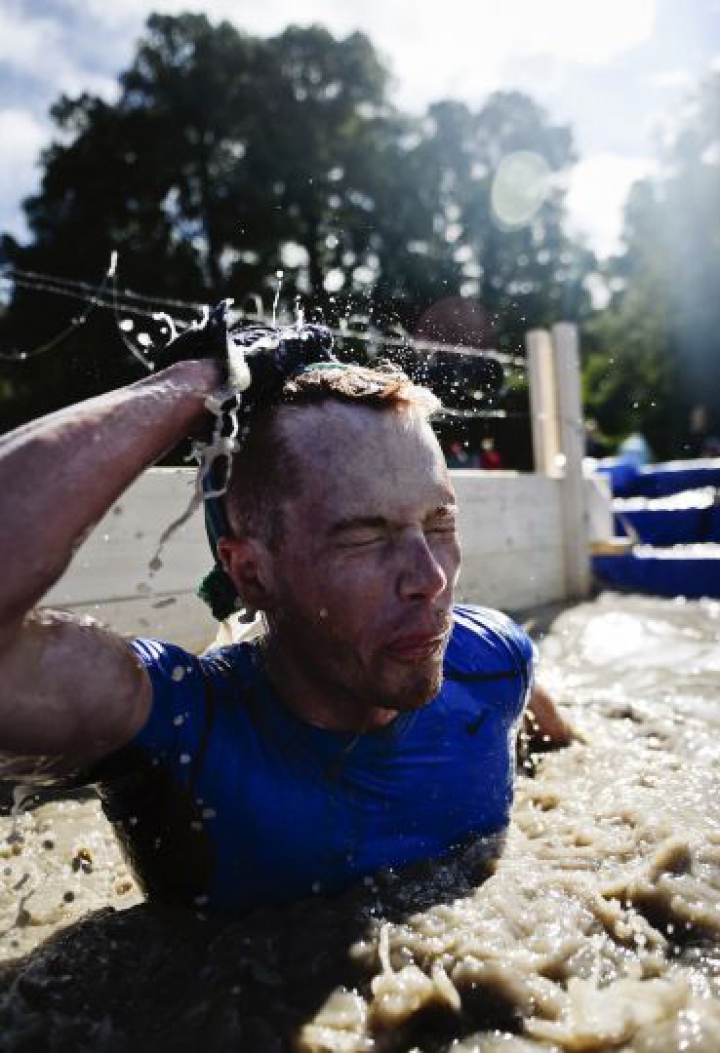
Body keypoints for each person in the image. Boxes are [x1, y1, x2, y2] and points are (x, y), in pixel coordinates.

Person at [0, 307, 571, 916]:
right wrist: (197, 381)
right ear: (251, 573)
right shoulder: (185, 735)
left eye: (439, 523)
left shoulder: (492, 658)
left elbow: (563, 753)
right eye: (365, 537)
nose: (430, 579)